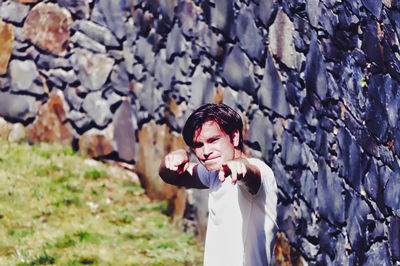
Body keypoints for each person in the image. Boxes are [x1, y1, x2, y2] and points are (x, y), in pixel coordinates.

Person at [159, 103, 278, 266]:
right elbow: (172, 177)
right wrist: (173, 158)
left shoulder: (261, 171)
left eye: (213, 140)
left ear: (235, 137)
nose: (205, 151)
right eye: (198, 145)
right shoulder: (215, 174)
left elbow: (251, 175)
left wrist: (241, 168)